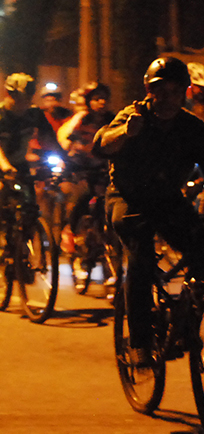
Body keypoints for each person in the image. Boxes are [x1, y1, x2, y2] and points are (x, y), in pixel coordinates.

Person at [94, 57, 204, 367]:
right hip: (128, 199)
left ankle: (184, 323)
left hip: (167, 199)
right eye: (161, 91)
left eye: (175, 91)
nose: (167, 99)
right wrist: (126, 132)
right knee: (140, 257)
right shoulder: (133, 116)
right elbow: (102, 144)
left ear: (184, 92)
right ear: (148, 91)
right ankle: (139, 342)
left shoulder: (190, 126)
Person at [57, 82, 114, 284]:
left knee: (109, 211)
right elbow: (64, 138)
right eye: (96, 99)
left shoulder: (112, 119)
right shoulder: (81, 119)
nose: (101, 102)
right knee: (81, 198)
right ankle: (72, 235)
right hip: (81, 169)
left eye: (104, 98)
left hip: (103, 170)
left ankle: (109, 264)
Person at [0, 73, 59, 198]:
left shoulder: (34, 114)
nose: (27, 101)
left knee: (31, 199)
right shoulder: (1, 114)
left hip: (19, 164)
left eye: (30, 96)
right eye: (21, 96)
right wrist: (5, 166)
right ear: (9, 94)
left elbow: (49, 139)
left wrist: (63, 160)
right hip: (3, 164)